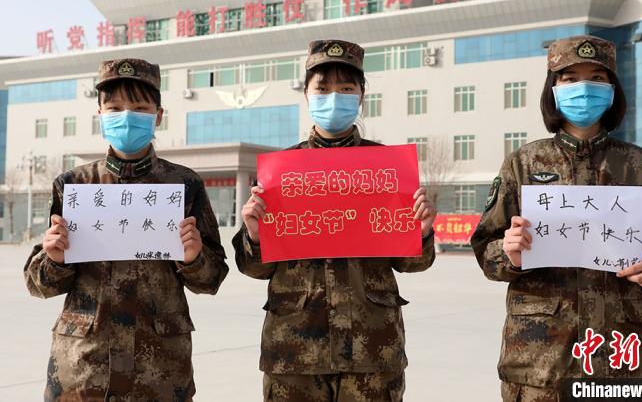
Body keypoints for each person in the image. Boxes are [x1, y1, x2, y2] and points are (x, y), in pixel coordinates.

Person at [470, 35, 642, 401]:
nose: (583, 88)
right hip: (540, 360)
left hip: (623, 361)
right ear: (553, 88)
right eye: (570, 77)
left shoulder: (641, 165)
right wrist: (509, 254)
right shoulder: (523, 164)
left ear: (612, 89)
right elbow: (486, 250)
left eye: (597, 77)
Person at [232, 40, 437, 401]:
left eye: (346, 88)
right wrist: (254, 234)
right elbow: (254, 268)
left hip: (371, 348)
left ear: (360, 97)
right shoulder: (281, 172)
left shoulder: (388, 170)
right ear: (307, 95)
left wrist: (420, 233)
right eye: (322, 88)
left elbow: (412, 263)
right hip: (295, 351)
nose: (334, 97)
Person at [24, 58, 229, 401]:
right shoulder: (74, 185)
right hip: (83, 368)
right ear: (100, 115)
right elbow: (37, 284)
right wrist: (54, 258)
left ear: (158, 116)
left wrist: (193, 258)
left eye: (139, 107)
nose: (127, 116)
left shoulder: (184, 184)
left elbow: (212, 278)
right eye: (115, 107)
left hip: (159, 371)